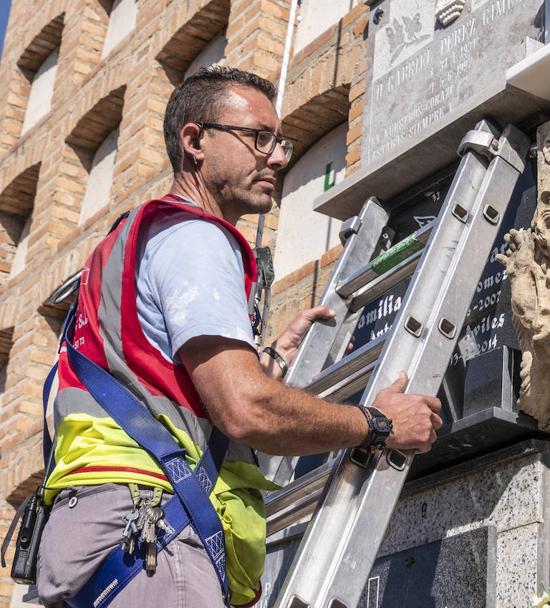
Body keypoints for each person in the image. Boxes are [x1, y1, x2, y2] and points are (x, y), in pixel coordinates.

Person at [35, 65, 442, 607]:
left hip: (101, 540)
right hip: (154, 543)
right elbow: (245, 411)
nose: (278, 157)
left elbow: (156, 381)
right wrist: (379, 424)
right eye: (258, 138)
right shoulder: (197, 239)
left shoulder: (129, 243)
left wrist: (263, 361)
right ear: (194, 141)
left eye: (281, 141)